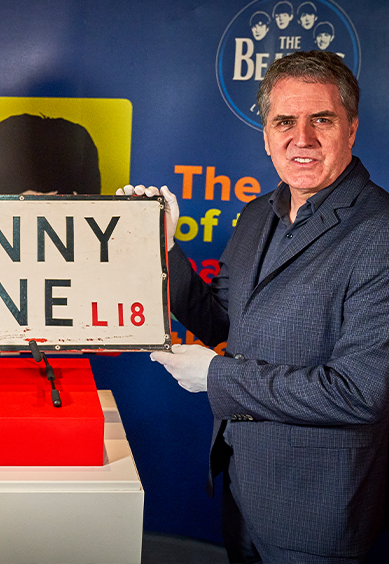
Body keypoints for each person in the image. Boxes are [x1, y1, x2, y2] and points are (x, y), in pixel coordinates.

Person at [120, 51, 389, 562]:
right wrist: (163, 249)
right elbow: (222, 322)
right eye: (284, 121)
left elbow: (361, 393)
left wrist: (218, 377)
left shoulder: (381, 231)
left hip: (319, 514)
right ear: (266, 134)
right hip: (245, 494)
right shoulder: (256, 215)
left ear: (351, 129)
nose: (301, 138)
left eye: (322, 120)